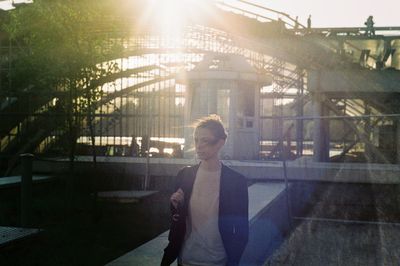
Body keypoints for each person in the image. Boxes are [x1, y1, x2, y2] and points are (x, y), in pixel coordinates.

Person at [161, 115, 249, 266]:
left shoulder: (236, 182)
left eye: (205, 140)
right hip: (186, 260)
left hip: (219, 262)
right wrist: (175, 204)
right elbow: (176, 219)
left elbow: (242, 231)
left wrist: (233, 261)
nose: (199, 145)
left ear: (220, 143)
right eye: (196, 140)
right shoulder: (185, 175)